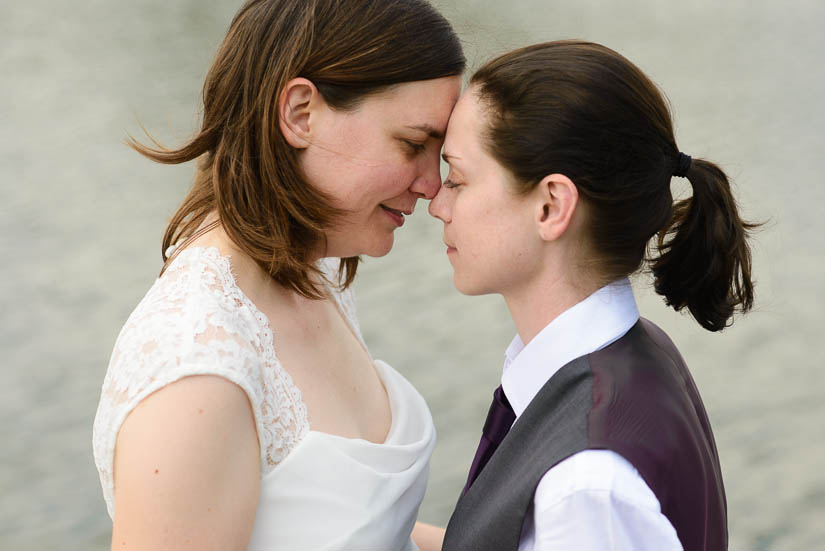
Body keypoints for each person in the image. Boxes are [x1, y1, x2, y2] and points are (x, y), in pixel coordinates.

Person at [92, 1, 463, 549]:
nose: (432, 185)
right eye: (412, 144)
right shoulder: (195, 371)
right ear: (300, 113)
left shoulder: (317, 275)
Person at [429, 40, 756, 551]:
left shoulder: (585, 489)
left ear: (551, 206)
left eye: (457, 179)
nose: (437, 204)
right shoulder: (637, 353)